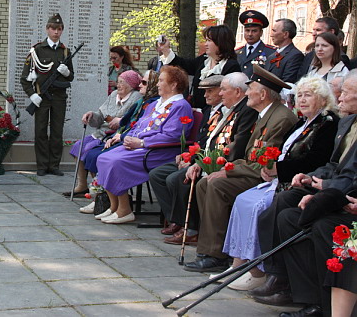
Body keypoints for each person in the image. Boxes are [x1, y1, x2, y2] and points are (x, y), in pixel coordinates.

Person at [220, 76, 339, 291]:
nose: (302, 100)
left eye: (308, 95)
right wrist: (270, 168)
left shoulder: (327, 123)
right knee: (243, 199)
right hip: (280, 178)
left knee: (260, 208)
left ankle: (261, 271)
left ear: (322, 99)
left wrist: (278, 170)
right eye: (299, 95)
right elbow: (283, 152)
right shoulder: (303, 122)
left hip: (298, 181)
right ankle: (239, 264)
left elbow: (316, 159)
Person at [250, 69, 357, 307]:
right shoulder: (348, 122)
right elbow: (331, 164)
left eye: (346, 93)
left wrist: (325, 188)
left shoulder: (330, 122)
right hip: (331, 189)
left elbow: (349, 175)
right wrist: (310, 178)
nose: (339, 97)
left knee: (309, 219)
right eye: (299, 95)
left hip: (344, 196)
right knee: (287, 211)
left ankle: (315, 300)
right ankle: (286, 280)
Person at [183, 65, 298, 272]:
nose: (247, 93)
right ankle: (210, 247)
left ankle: (216, 254)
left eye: (250, 88)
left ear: (262, 94)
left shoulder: (280, 118)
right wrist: (227, 167)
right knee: (204, 184)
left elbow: (264, 163)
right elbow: (249, 156)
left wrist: (228, 171)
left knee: (217, 184)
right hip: (251, 169)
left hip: (264, 177)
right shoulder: (266, 114)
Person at [152, 72, 257, 245]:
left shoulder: (243, 112)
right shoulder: (223, 109)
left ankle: (190, 227)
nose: (218, 94)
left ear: (237, 92)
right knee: (158, 174)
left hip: (217, 164)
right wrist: (191, 157)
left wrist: (198, 162)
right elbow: (204, 140)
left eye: (220, 90)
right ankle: (177, 221)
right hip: (203, 159)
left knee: (177, 179)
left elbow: (234, 147)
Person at [92, 65, 193, 224]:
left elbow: (171, 135)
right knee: (103, 157)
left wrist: (142, 142)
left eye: (161, 81)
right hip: (140, 146)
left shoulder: (180, 106)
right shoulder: (155, 104)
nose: (157, 84)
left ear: (173, 85)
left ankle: (125, 210)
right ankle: (114, 206)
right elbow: (139, 124)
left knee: (116, 161)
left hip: (157, 151)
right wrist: (128, 137)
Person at [67, 70, 142, 197]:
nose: (118, 85)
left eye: (122, 82)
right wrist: (91, 115)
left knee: (89, 151)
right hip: (100, 133)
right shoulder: (113, 95)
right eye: (118, 82)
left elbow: (132, 119)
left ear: (130, 85)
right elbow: (100, 115)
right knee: (78, 146)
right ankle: (82, 185)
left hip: (114, 135)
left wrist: (120, 121)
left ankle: (98, 188)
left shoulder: (136, 97)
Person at [20, 13, 75, 177]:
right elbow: (25, 78)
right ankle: (42, 165)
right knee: (41, 131)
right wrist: (32, 95)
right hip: (41, 98)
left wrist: (66, 72)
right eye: (53, 28)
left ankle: (54, 165)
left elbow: (71, 77)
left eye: (59, 29)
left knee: (57, 132)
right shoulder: (37, 50)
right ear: (47, 29)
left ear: (62, 30)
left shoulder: (65, 52)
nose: (56, 32)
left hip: (59, 98)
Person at [158, 25, 241, 109]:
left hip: (216, 113)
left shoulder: (231, 66)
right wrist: (166, 50)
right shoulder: (204, 60)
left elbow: (229, 96)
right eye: (206, 40)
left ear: (220, 42)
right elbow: (184, 65)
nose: (205, 44)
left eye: (209, 40)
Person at [236, 10, 275, 78]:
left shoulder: (271, 52)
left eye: (254, 31)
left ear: (261, 33)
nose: (250, 34)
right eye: (247, 31)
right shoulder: (237, 52)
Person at [264, 18, 304, 83]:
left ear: (285, 34)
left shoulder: (295, 56)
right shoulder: (272, 56)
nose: (271, 35)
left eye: (274, 31)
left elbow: (288, 82)